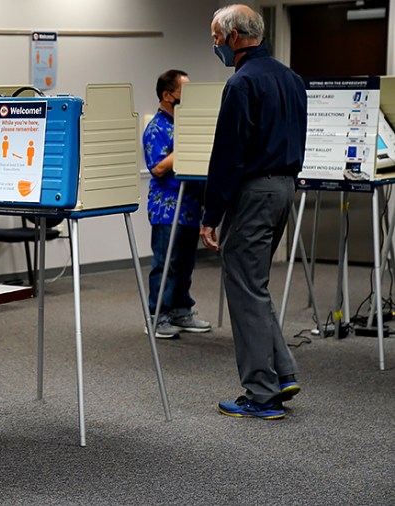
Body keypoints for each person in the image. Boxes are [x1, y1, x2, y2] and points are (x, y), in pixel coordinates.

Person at [200, 4, 307, 419]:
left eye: (216, 36)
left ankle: (260, 394)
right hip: (284, 188)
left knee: (243, 288)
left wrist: (211, 214)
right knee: (254, 285)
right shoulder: (292, 79)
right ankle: (281, 373)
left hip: (254, 191)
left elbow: (228, 155)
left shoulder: (242, 83)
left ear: (234, 37)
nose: (214, 44)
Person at [143, 69, 212, 339]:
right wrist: (186, 143)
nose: (190, 99)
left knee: (185, 263)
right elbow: (158, 167)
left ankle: (181, 310)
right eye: (185, 93)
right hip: (166, 205)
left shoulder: (188, 124)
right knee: (165, 263)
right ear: (167, 95)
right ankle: (157, 316)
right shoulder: (156, 128)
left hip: (191, 205)